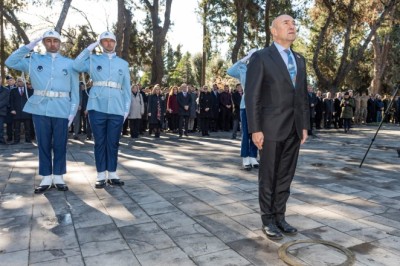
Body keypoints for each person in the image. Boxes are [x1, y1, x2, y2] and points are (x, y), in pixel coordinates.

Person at [245, 14, 309, 240]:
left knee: (285, 176)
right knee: (269, 175)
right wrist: (255, 128)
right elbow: (252, 95)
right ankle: (268, 219)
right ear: (273, 31)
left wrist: (304, 126)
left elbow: (301, 96)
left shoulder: (300, 59)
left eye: (293, 23)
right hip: (269, 128)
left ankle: (280, 217)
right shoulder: (261, 57)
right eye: (286, 23)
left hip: (294, 128)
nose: (292, 26)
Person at [5, 29, 79, 193]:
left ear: (60, 43)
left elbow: (75, 92)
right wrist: (28, 47)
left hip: (62, 108)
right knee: (43, 143)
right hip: (40, 107)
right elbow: (10, 62)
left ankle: (59, 176)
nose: (52, 44)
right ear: (44, 43)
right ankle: (46, 177)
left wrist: (72, 112)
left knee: (60, 144)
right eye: (48, 41)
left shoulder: (70, 63)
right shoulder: (33, 59)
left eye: (55, 41)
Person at [73, 31, 131, 189]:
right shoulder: (93, 59)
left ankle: (112, 173)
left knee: (113, 142)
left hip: (117, 108)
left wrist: (126, 110)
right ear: (101, 43)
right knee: (99, 142)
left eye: (111, 41)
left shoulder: (123, 64)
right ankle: (100, 175)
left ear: (115, 43)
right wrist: (88, 49)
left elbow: (126, 90)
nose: (108, 44)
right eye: (104, 41)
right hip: (96, 106)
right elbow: (76, 65)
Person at [227, 49, 259, 170]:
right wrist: (244, 59)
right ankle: (245, 157)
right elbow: (230, 71)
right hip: (245, 105)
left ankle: (253, 156)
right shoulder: (242, 69)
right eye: (252, 55)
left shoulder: (262, 69)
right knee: (246, 132)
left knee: (256, 132)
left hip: (258, 106)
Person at [9, 77, 33, 144]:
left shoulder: (29, 91)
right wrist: (12, 109)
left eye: (22, 81)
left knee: (28, 128)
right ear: (16, 82)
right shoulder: (13, 91)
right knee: (16, 128)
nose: (21, 82)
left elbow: (32, 101)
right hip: (16, 112)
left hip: (27, 111)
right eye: (19, 81)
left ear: (25, 82)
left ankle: (28, 140)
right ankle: (16, 141)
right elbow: (11, 101)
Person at [0, 77, 10, 144]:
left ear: (1, 80)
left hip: (1, 112)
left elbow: (6, 101)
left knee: (0, 127)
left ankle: (1, 140)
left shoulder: (6, 90)